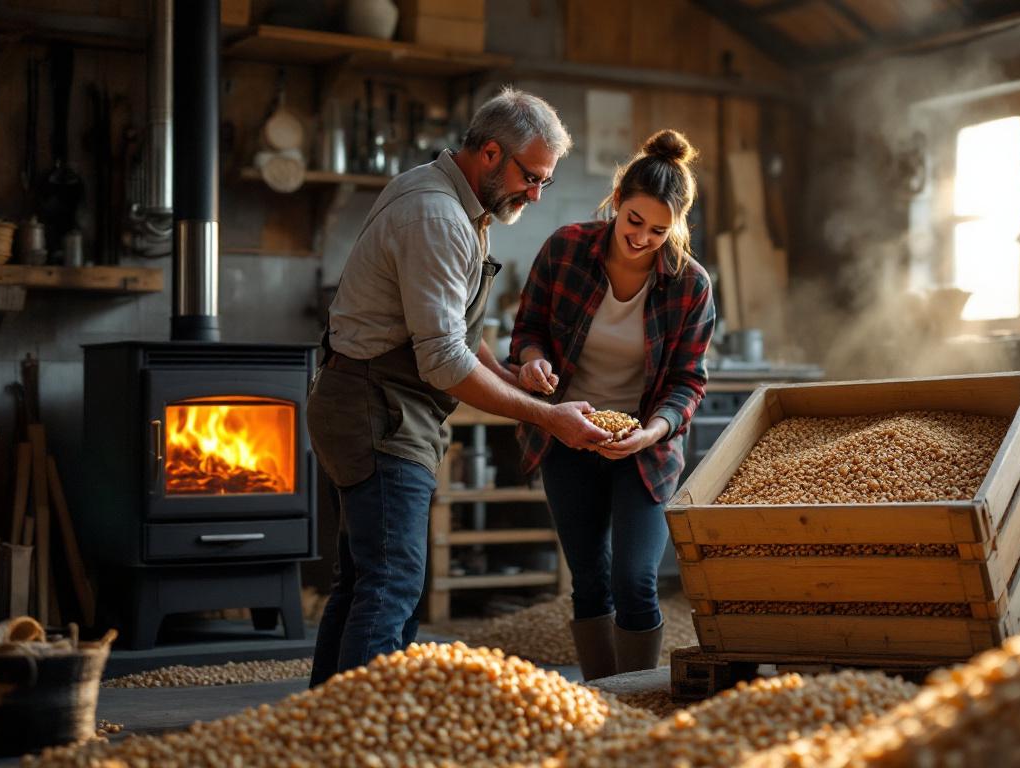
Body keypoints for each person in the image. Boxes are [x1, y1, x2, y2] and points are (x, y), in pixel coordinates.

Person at [307, 87, 613, 687]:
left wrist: (511, 374)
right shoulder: (438, 216)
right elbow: (444, 361)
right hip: (377, 410)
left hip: (372, 401)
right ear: (491, 153)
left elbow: (445, 327)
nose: (536, 193)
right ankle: (359, 732)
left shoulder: (455, 199)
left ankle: (322, 724)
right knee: (393, 581)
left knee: (365, 580)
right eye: (532, 177)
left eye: (546, 182)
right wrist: (547, 418)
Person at [509, 129, 716, 680]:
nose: (642, 238)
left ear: (676, 228)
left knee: (635, 578)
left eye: (658, 230)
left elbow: (687, 381)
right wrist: (531, 361)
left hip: (643, 448)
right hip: (567, 430)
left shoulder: (690, 285)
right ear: (617, 199)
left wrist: (652, 432)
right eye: (633, 222)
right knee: (590, 578)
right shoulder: (566, 249)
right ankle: (602, 698)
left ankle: (639, 696)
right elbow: (528, 329)